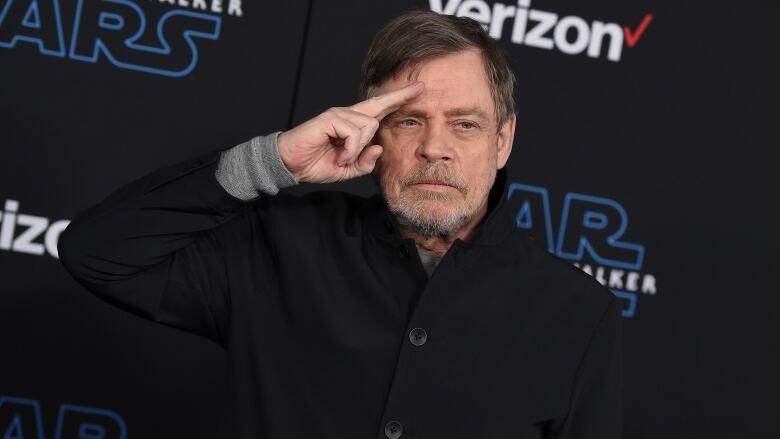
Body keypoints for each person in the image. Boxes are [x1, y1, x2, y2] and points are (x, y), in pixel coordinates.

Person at [58, 11, 622, 439]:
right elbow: (96, 252)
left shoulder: (577, 314)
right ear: (371, 130)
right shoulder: (280, 245)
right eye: (407, 120)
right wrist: (271, 161)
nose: (434, 149)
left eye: (466, 124)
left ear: (503, 141)